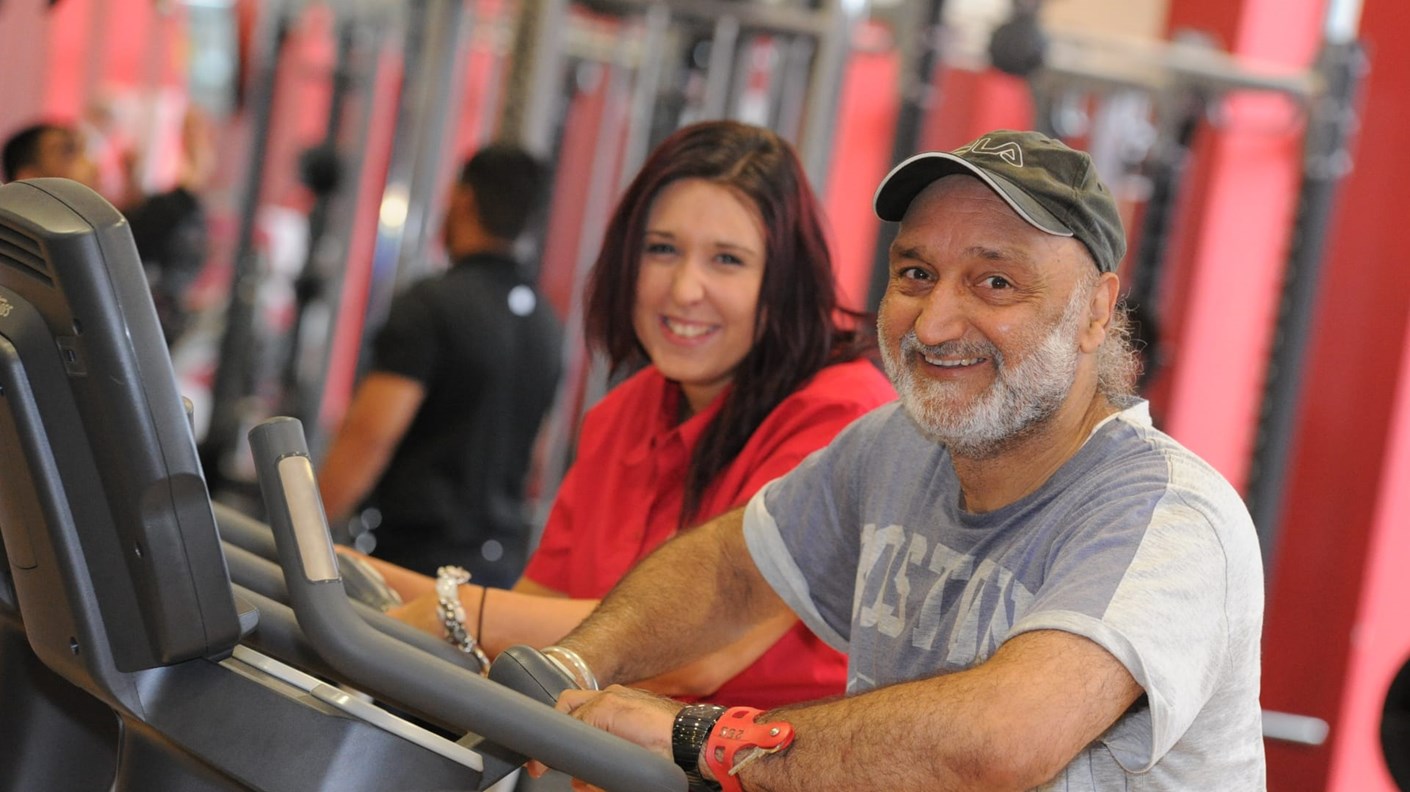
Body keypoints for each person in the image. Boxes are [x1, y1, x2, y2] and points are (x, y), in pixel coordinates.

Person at [534, 130, 1266, 790]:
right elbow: (729, 573)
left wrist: (702, 738)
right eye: (915, 274)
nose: (936, 322)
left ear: (1097, 312)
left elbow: (1001, 741)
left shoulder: (1168, 516)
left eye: (996, 282)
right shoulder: (896, 447)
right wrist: (574, 664)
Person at [373, 120, 896, 709]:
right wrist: (367, 581)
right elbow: (538, 605)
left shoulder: (843, 415)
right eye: (662, 249)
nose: (683, 289)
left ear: (784, 282)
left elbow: (698, 653)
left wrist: (459, 610)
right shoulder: (628, 411)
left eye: (727, 259)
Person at [318, 144, 563, 589]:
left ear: (463, 198)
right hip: (496, 575)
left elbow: (369, 438)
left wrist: (300, 540)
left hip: (412, 568)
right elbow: (537, 454)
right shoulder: (547, 324)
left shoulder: (431, 306)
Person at [1, 118, 209, 344]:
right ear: (30, 177)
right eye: (70, 151)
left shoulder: (96, 237)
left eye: (86, 150)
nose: (91, 163)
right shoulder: (52, 254)